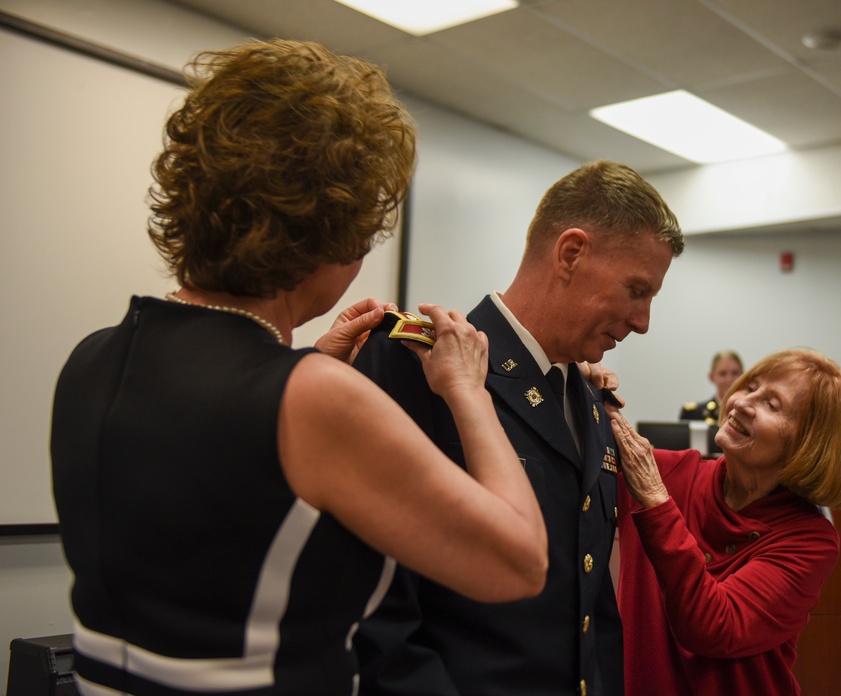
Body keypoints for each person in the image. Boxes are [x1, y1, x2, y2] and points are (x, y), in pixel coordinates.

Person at [49, 39, 549, 696]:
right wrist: (467, 388)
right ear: (331, 232)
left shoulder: (91, 356)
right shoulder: (315, 399)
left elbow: (220, 520)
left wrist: (301, 369)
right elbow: (518, 561)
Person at [348, 160, 685, 696]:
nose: (642, 320)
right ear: (571, 254)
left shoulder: (592, 401)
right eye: (637, 289)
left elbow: (591, 608)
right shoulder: (418, 362)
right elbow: (372, 603)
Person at [609, 349, 841, 696]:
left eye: (772, 405)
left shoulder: (810, 540)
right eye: (751, 387)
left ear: (807, 444)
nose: (741, 402)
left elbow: (714, 626)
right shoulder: (672, 472)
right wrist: (584, 382)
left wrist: (655, 500)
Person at [679, 349, 743, 423]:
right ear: (711, 377)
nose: (729, 379)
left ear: (743, 376)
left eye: (735, 373)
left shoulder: (751, 413)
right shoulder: (693, 414)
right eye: (722, 374)